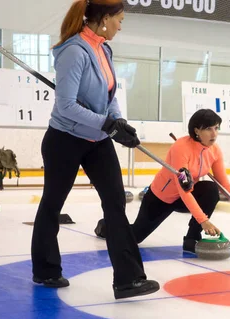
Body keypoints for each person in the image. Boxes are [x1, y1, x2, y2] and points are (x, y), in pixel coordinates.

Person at [31, 0, 160, 300]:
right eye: (119, 19)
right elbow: (66, 106)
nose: (120, 25)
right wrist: (106, 124)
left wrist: (117, 121)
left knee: (115, 202)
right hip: (65, 139)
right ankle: (46, 269)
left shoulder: (104, 49)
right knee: (53, 203)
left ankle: (128, 279)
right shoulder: (74, 52)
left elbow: (109, 94)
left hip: (97, 140)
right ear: (104, 19)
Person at [94, 109, 230, 252]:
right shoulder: (181, 148)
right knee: (135, 237)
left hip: (185, 198)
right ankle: (105, 227)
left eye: (217, 128)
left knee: (211, 190)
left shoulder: (214, 151)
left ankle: (192, 238)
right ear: (196, 130)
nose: (214, 134)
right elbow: (183, 189)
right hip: (161, 198)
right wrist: (204, 221)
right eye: (208, 129)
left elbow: (223, 184)